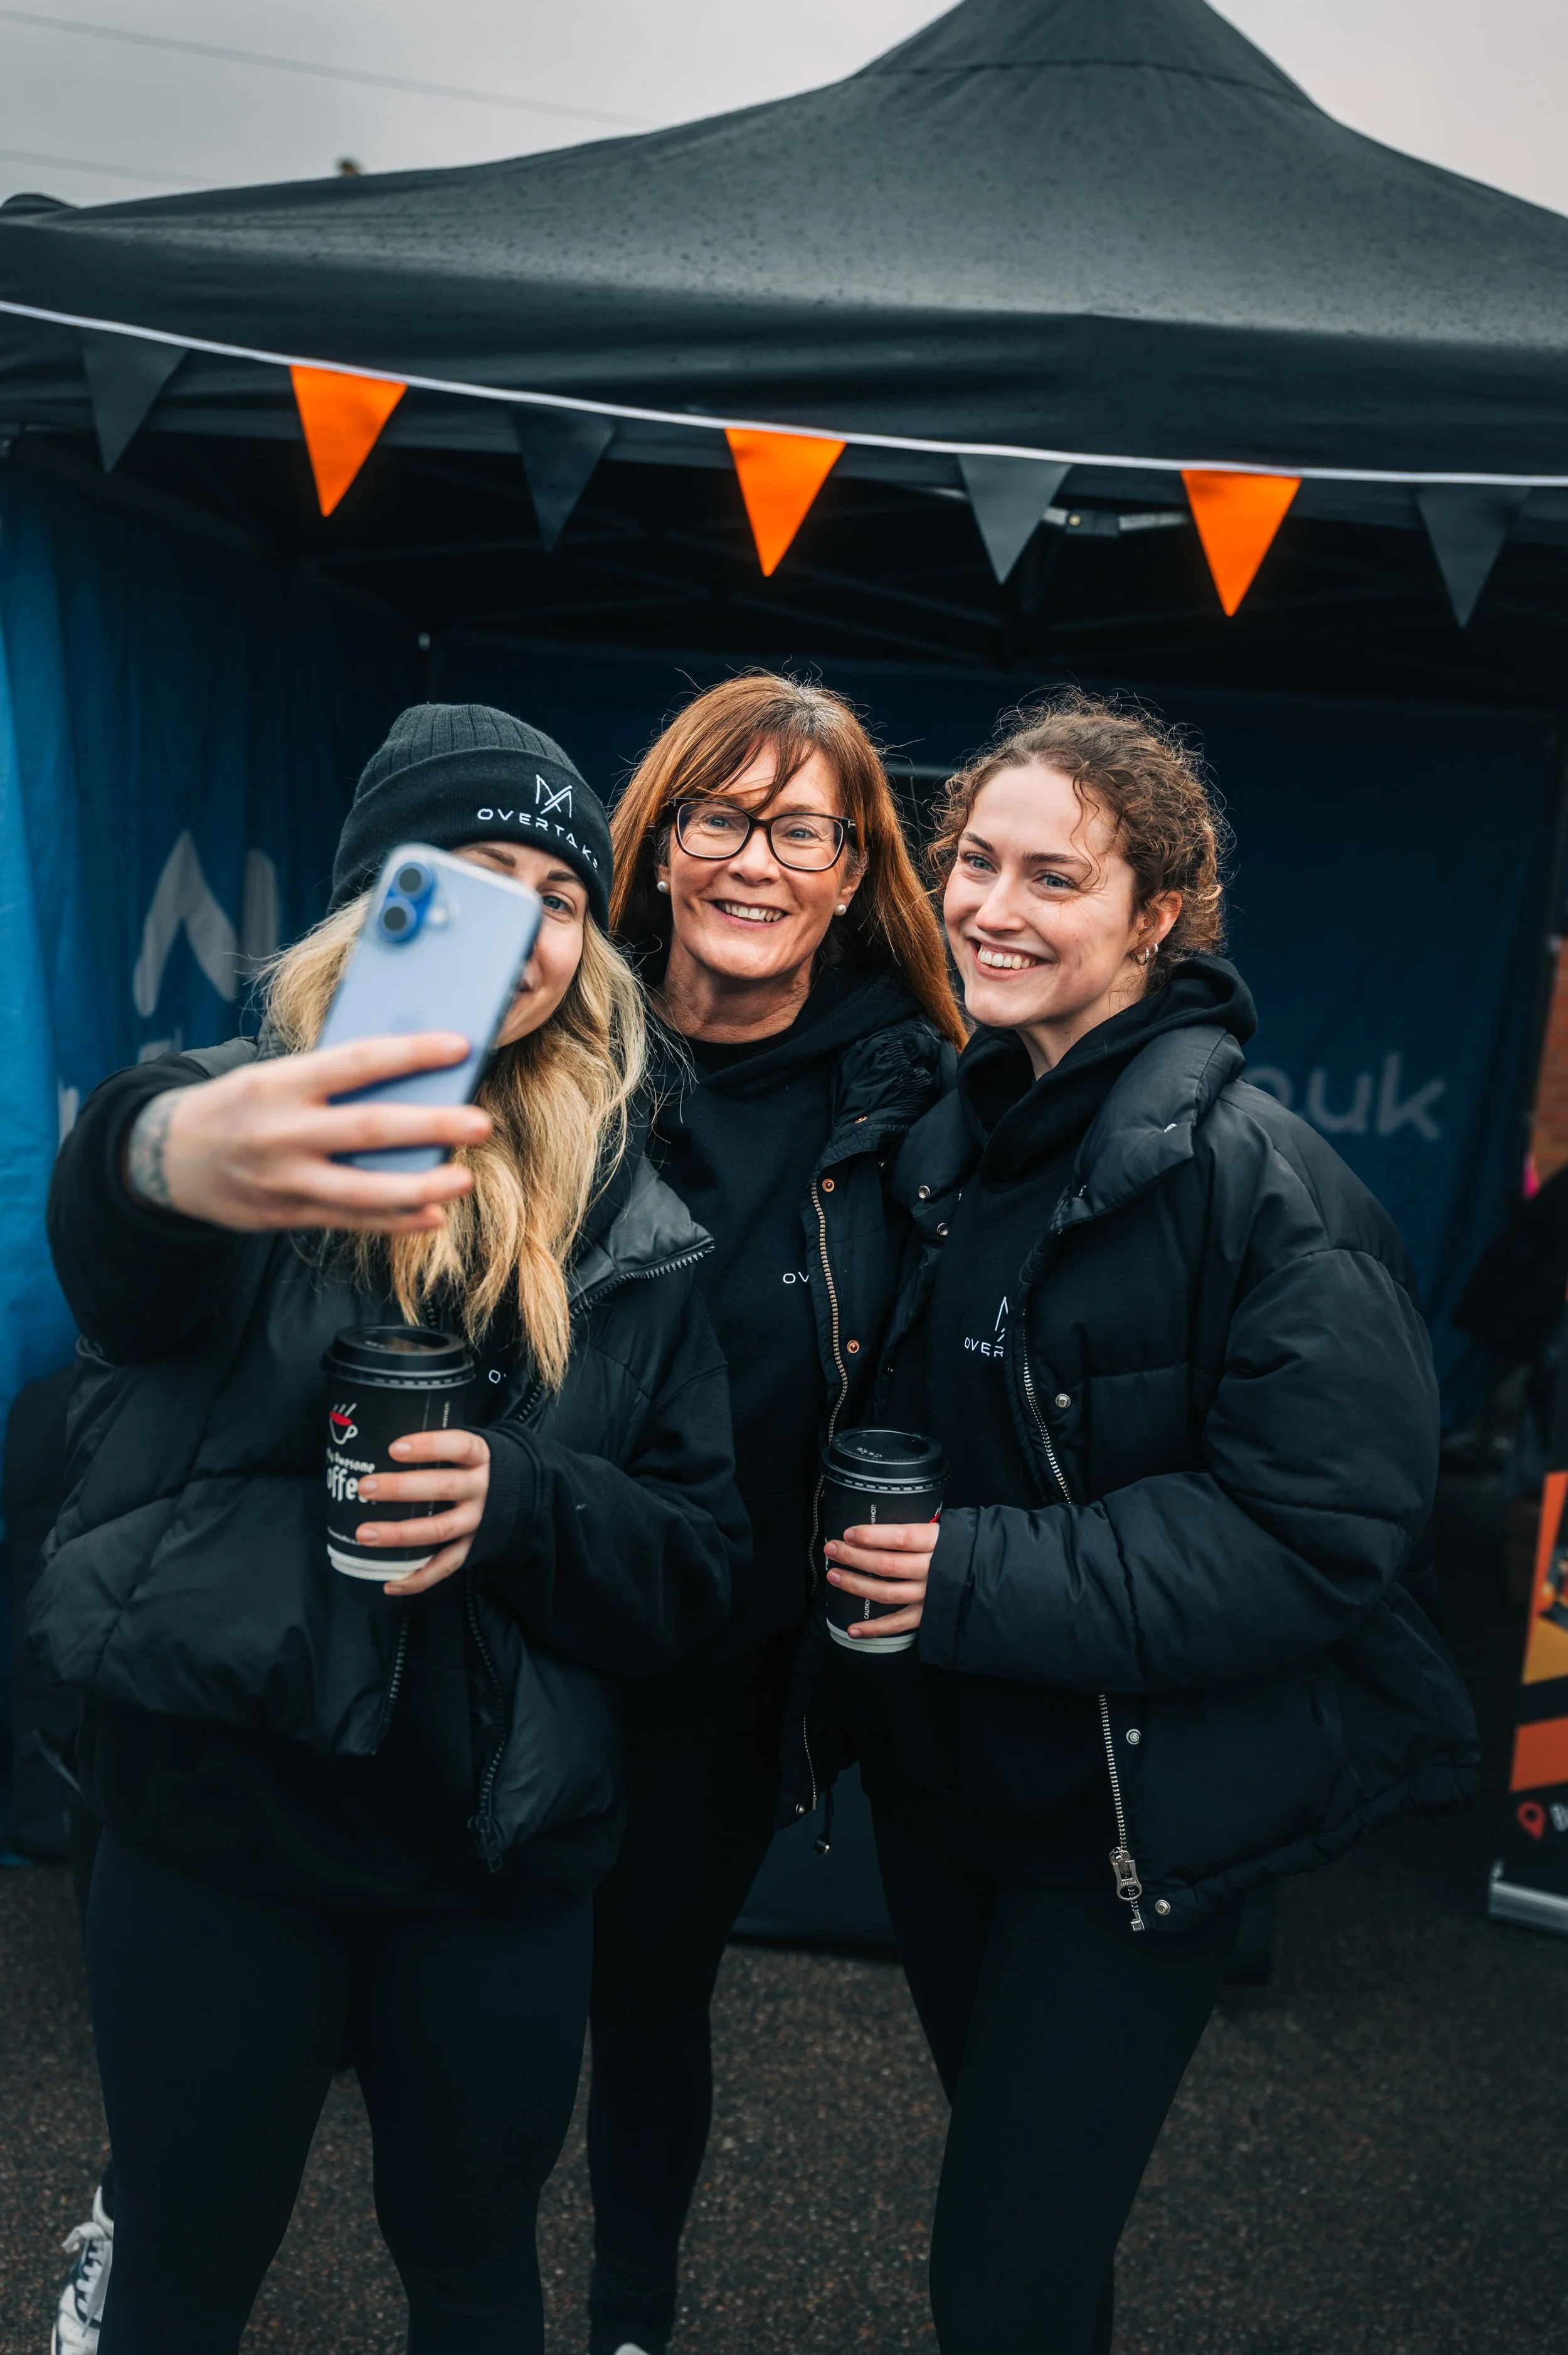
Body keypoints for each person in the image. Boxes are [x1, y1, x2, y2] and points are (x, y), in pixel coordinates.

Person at [33, 703, 746, 2355]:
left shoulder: (636, 1223)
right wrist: (161, 1153)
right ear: (380, 902)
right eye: (474, 879)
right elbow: (123, 1214)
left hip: (491, 1857)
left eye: (558, 897)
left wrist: (526, 1498)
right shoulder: (254, 1122)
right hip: (224, 1830)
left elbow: (695, 1561)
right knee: (181, 2274)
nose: (525, 928)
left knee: (476, 2273)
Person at [812, 693, 1480, 2355]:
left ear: (1156, 915)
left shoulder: (1266, 1184)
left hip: (1117, 1822)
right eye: (975, 862)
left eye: (1056, 878)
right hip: (944, 1796)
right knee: (1034, 2252)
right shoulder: (944, 1143)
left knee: (1001, 2271)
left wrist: (966, 1575)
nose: (993, 908)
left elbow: (1319, 1530)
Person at [588, 672, 965, 2355]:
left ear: (852, 870)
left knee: (648, 1989)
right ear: (658, 843)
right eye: (719, 817)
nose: (754, 860)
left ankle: (629, 2314)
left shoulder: (917, 1099)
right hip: (525, 1599)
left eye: (800, 831)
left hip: (730, 1653)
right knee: (453, 1982)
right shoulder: (557, 1042)